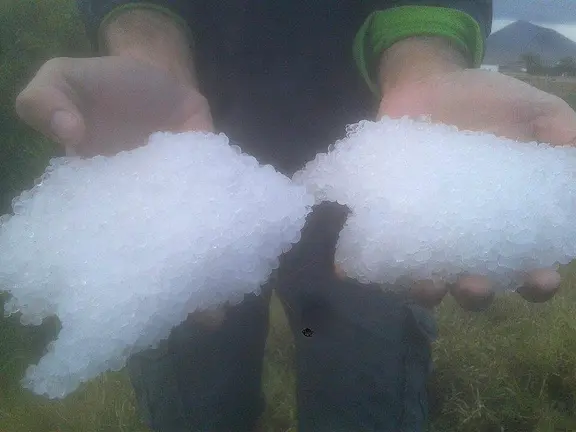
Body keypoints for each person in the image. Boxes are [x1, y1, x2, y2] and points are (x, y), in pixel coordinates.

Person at [14, 1, 573, 430]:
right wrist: (145, 49)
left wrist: (423, 63)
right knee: (195, 407)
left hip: (362, 184)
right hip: (195, 160)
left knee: (364, 404)